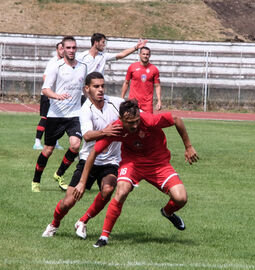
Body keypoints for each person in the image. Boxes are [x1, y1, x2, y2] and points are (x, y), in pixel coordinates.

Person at [72, 99, 199, 247]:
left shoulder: (149, 120)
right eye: (130, 122)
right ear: (121, 120)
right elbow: (93, 152)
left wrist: (188, 147)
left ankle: (167, 212)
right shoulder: (116, 128)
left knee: (181, 198)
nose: (134, 126)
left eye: (137, 121)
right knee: (121, 191)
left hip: (158, 164)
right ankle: (104, 237)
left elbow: (176, 119)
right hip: (132, 163)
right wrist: (82, 182)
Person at [42, 72, 124, 238]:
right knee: (68, 202)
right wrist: (105, 131)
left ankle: (83, 221)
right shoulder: (85, 109)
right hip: (88, 160)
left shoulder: (116, 103)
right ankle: (54, 224)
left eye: (102, 86)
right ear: (87, 89)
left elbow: (134, 110)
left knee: (108, 190)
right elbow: (86, 136)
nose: (100, 89)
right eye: (96, 86)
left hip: (111, 161)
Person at [31, 36, 87, 192]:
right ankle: (36, 180)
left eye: (73, 48)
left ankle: (59, 173)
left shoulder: (83, 67)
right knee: (48, 150)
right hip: (56, 114)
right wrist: (57, 96)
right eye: (68, 48)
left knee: (75, 145)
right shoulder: (56, 66)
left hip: (75, 114)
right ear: (62, 49)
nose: (71, 50)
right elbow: (45, 89)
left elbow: (84, 88)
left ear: (76, 49)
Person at [33, 42, 64, 150]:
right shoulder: (53, 62)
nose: (63, 50)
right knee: (45, 118)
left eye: (64, 48)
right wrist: (51, 90)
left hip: (56, 95)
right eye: (61, 48)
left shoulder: (65, 63)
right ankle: (37, 142)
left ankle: (54, 142)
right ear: (57, 50)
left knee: (56, 119)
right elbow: (45, 77)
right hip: (48, 94)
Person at [76, 33, 147, 75]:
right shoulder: (82, 56)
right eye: (103, 42)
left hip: (98, 89)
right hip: (85, 90)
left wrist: (136, 47)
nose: (104, 45)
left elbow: (121, 55)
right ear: (96, 42)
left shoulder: (103, 56)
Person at [121, 47, 162, 113]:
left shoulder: (154, 69)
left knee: (149, 122)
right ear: (139, 55)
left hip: (147, 103)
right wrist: (122, 98)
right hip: (133, 102)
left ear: (149, 56)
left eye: (147, 54)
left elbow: (157, 86)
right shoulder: (132, 67)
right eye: (143, 54)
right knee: (132, 122)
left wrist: (159, 100)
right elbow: (126, 83)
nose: (145, 56)